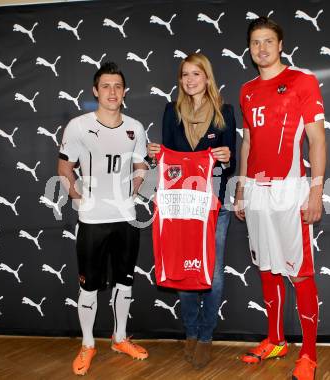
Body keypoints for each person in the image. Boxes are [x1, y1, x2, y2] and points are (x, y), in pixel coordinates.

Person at [234, 17, 326, 380]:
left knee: (300, 274)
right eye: (255, 42)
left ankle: (309, 354)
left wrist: (316, 191)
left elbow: (317, 139)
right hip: (256, 192)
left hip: (290, 191)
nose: (262, 48)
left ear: (281, 44)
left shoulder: (302, 81)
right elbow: (247, 142)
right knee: (268, 268)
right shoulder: (247, 90)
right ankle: (275, 340)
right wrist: (240, 189)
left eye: (268, 41)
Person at [58, 62, 149, 376]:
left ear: (125, 92)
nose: (112, 92)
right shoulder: (79, 126)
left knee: (125, 282)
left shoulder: (135, 127)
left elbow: (141, 166)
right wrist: (78, 197)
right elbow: (64, 169)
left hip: (126, 218)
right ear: (96, 91)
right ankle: (87, 344)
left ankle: (120, 338)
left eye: (118, 86)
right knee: (90, 286)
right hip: (93, 221)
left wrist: (133, 190)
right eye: (106, 86)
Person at [148, 53, 236, 369]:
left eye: (196, 73)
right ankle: (191, 332)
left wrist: (225, 157)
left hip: (215, 205)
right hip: (182, 205)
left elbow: (232, 164)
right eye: (185, 74)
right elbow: (167, 160)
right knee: (184, 267)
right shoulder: (171, 112)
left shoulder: (225, 112)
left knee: (212, 271)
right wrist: (152, 155)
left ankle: (207, 336)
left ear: (207, 77)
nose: (190, 79)